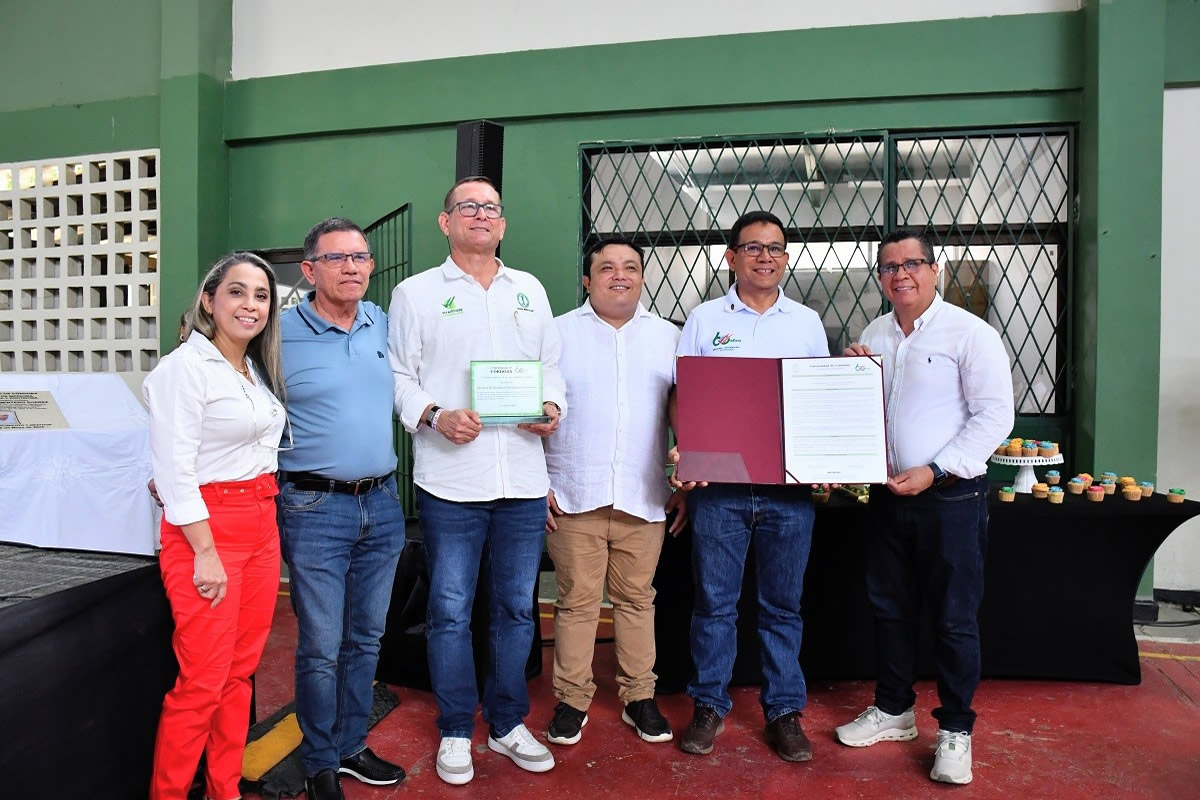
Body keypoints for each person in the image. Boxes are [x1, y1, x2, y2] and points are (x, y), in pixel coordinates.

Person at [387, 176, 566, 786]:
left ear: (503, 224)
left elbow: (550, 368)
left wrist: (552, 409)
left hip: (519, 476)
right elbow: (399, 376)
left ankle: (510, 721)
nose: (481, 215)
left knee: (518, 608)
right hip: (451, 480)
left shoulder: (529, 291)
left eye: (491, 208)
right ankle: (458, 727)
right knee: (450, 609)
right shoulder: (415, 294)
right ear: (446, 223)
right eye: (468, 207)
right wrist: (436, 415)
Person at [835, 228, 1014, 785]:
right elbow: (871, 414)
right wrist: (854, 373)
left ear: (935, 270)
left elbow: (994, 418)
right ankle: (894, 711)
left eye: (912, 264)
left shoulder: (971, 334)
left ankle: (956, 731)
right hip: (888, 497)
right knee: (889, 609)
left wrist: (935, 470)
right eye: (889, 267)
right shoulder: (874, 333)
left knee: (954, 620)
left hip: (952, 498)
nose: (900, 275)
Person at [671, 210, 829, 762]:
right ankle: (709, 704)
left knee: (782, 607)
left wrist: (827, 455)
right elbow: (686, 394)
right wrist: (684, 449)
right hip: (720, 490)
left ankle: (784, 711)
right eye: (754, 247)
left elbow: (817, 402)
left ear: (786, 258)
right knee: (714, 605)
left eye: (776, 248)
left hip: (788, 493)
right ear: (731, 256)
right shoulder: (703, 318)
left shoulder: (806, 321)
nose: (766, 256)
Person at [143, 252, 287, 800]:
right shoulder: (184, 369)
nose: (250, 304)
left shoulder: (252, 369)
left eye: (261, 295)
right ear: (208, 300)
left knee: (238, 675)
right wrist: (204, 550)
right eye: (237, 291)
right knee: (201, 683)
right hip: (207, 530)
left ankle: (224, 790)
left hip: (261, 523)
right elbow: (173, 469)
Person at [278, 218, 407, 800]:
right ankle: (320, 758)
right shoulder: (276, 335)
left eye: (361, 257)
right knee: (321, 644)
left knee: (366, 638)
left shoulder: (382, 321)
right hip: (313, 507)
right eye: (337, 258)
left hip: (381, 504)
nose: (353, 267)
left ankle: (352, 745)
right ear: (310, 270)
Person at [542, 237, 685, 747]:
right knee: (577, 603)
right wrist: (539, 485)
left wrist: (687, 475)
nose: (619, 275)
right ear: (588, 278)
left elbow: (684, 409)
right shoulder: (556, 334)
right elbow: (535, 412)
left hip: (643, 494)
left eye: (630, 267)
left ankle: (639, 697)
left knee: (636, 601)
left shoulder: (669, 336)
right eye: (606, 267)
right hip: (572, 492)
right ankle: (572, 700)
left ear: (643, 277)